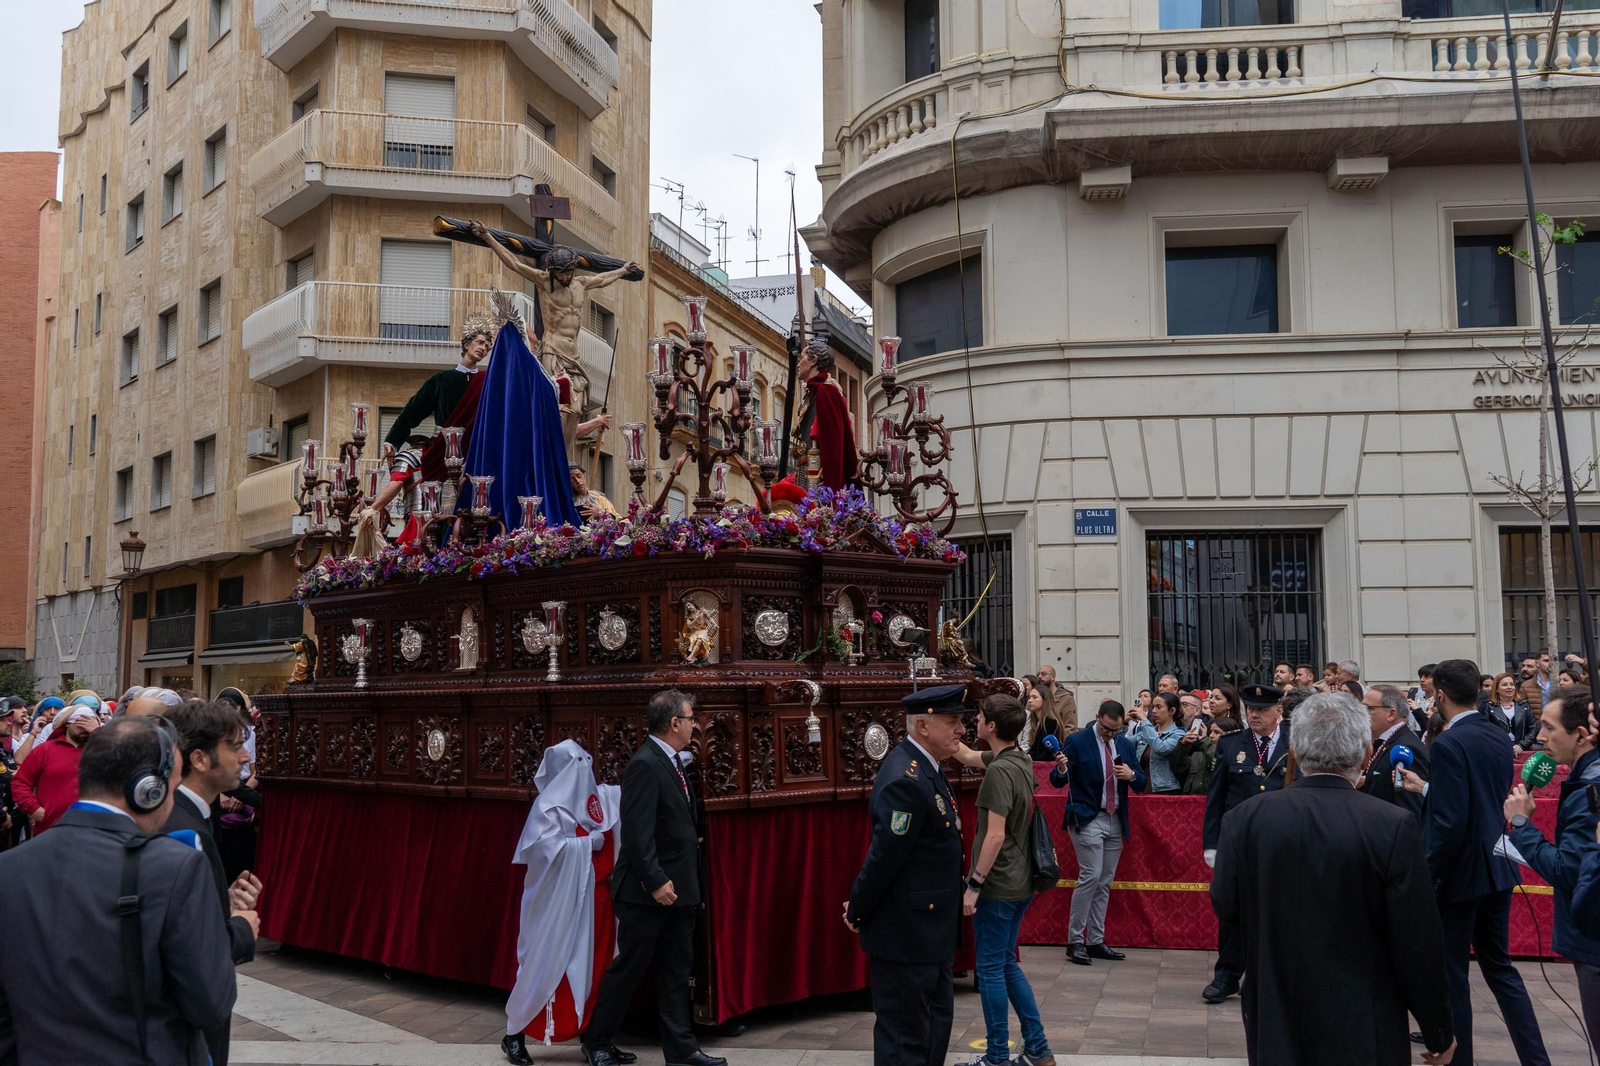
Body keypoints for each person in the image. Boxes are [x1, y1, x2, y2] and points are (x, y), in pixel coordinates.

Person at [1210, 692, 1455, 1065]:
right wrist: (1438, 1028)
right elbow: (1416, 939)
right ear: (1364, 753)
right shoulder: (1389, 825)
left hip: (1277, 1007)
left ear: (1294, 750)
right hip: (1361, 1016)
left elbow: (1227, 904)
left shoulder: (1246, 819)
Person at [0, 716, 238, 1064]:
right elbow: (210, 1004)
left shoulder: (9, 867)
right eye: (171, 788)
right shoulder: (175, 866)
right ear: (148, 790)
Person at [1405, 658, 1550, 1066]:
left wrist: (1428, 877)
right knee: (1500, 969)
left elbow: (1450, 822)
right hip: (1497, 866)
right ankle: (1536, 1059)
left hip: (1460, 875)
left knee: (1454, 974)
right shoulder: (1496, 735)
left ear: (1440, 695)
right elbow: (1479, 800)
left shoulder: (1450, 742)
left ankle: (1459, 1059)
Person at [582, 691, 723, 1066]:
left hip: (680, 892)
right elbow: (637, 835)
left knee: (677, 972)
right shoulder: (644, 764)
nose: (696, 724)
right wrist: (657, 881)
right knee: (629, 969)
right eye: (691, 718)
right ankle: (596, 1040)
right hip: (647, 893)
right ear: (674, 723)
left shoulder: (674, 762)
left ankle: (681, 1051)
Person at [845, 683, 967, 1066]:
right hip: (908, 935)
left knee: (932, 1032)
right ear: (924, 726)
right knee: (906, 1040)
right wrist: (858, 910)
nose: (961, 730)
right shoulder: (906, 779)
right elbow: (884, 858)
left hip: (930, 933)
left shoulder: (927, 770)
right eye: (952, 722)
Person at [504, 740, 621, 1064]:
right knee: (546, 965)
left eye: (587, 761)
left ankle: (596, 1038)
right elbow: (545, 854)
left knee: (598, 968)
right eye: (576, 764)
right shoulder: (548, 808)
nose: (584, 768)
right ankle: (513, 1033)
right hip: (560, 905)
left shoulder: (600, 798)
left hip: (597, 900)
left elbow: (621, 797)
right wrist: (583, 845)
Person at [471, 219, 629, 456]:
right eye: (561, 273)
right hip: (553, 353)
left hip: (575, 358)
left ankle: (563, 460)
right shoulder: (544, 282)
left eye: (568, 272)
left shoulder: (581, 284)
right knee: (557, 409)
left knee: (575, 411)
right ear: (553, 271)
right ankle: (546, 456)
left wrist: (624, 270)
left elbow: (604, 279)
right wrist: (487, 237)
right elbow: (513, 263)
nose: (565, 277)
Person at [164, 699, 262, 1066]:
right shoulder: (185, 830)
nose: (245, 758)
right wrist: (239, 928)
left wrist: (224, 902)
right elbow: (187, 947)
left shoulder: (190, 817)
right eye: (234, 747)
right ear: (200, 760)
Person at [957, 694, 1052, 1066]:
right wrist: (950, 742)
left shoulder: (998, 771)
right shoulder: (1018, 759)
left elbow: (994, 835)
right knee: (1008, 965)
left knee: (991, 971)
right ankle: (1039, 1049)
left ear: (991, 726)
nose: (974, 721)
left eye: (978, 717)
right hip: (1020, 882)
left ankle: (997, 1057)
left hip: (997, 886)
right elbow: (966, 756)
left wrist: (974, 884)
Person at [1502, 685, 1600, 1045]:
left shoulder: (1591, 790)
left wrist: (1522, 825)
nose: (1540, 736)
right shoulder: (1584, 780)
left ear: (1582, 734)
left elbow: (1568, 871)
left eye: (1549, 726)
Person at [1201, 684, 1291, 1004]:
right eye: (1250, 709)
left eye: (1262, 710)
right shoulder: (1230, 744)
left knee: (1280, 909)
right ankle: (1227, 975)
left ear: (1278, 711)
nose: (1254, 715)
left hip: (1283, 840)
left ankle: (1273, 976)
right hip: (1239, 840)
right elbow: (1216, 798)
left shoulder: (1295, 740)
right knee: (1233, 908)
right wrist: (1211, 843)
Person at [1047, 699, 1146, 966]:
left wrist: (1131, 775)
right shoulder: (1078, 741)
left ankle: (1096, 941)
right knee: (1090, 875)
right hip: (1087, 816)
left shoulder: (1125, 744)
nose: (1111, 735)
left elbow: (1142, 783)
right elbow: (1057, 781)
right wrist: (1062, 766)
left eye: (1116, 730)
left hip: (1115, 818)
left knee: (1104, 880)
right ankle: (1075, 941)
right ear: (1097, 718)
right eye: (1106, 729)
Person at [790, 333, 859, 492]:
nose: (798, 364)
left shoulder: (826, 391)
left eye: (803, 358)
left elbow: (832, 442)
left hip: (818, 474)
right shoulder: (813, 393)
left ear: (813, 360)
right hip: (806, 471)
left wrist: (827, 470)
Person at [11, 705, 98, 832]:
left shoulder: (100, 752)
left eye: (89, 726)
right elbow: (20, 782)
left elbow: (119, 771)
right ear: (67, 724)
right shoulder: (44, 750)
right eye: (80, 724)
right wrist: (34, 809)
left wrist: (97, 732)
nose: (85, 729)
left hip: (91, 829)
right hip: (49, 829)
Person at [1358, 685, 1429, 824]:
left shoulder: (1406, 748)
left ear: (1391, 714)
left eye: (1368, 709)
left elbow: (1412, 809)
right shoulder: (1386, 741)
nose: (1362, 714)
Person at [1131, 691, 1186, 794]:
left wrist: (1144, 719)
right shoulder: (1147, 731)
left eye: (1159, 707)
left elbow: (1160, 748)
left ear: (1172, 711)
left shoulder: (1178, 734)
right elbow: (1125, 744)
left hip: (1166, 791)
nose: (1154, 711)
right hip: (1142, 790)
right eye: (1153, 707)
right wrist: (1123, 724)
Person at [1486, 672, 1540, 750]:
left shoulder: (1524, 705)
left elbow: (1533, 729)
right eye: (1505, 685)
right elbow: (1485, 731)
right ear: (1497, 689)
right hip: (1497, 749)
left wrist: (1521, 745)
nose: (1509, 687)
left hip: (1522, 749)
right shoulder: (1489, 706)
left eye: (1512, 684)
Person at [1024, 683, 1066, 762]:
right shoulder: (1033, 721)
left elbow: (1050, 752)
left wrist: (1031, 757)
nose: (1030, 700)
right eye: (1029, 697)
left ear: (1044, 700)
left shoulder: (1051, 722)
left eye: (1034, 697)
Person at [1036, 664, 1077, 736]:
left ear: (1053, 677)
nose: (1039, 677)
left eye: (1044, 674)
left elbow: (1070, 728)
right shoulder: (1035, 698)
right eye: (1038, 674)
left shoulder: (1066, 699)